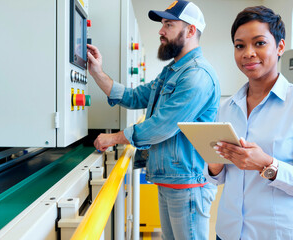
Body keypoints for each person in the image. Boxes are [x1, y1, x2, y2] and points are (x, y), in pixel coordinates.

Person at [87, 1, 221, 239]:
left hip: (188, 185)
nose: (161, 31)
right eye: (162, 24)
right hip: (170, 179)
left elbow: (163, 126)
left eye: (168, 25)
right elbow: (134, 96)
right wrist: (97, 71)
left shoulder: (197, 75)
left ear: (190, 31)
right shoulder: (172, 71)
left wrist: (115, 138)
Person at [204, 6, 293, 240]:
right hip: (230, 231)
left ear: (280, 46)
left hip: (284, 233)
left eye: (259, 43)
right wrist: (214, 166)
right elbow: (220, 178)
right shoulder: (227, 107)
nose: (248, 53)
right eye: (239, 45)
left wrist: (268, 165)